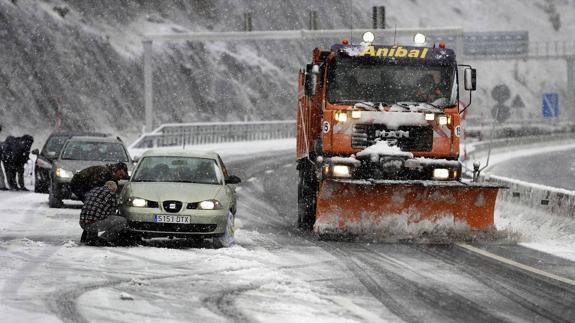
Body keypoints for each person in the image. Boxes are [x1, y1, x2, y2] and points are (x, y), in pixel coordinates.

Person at [79, 181, 127, 246]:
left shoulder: (94, 190)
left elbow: (93, 209)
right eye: (115, 190)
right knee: (122, 221)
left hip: (82, 223)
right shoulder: (111, 195)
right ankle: (102, 239)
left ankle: (90, 237)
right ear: (113, 189)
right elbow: (112, 213)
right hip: (94, 224)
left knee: (95, 215)